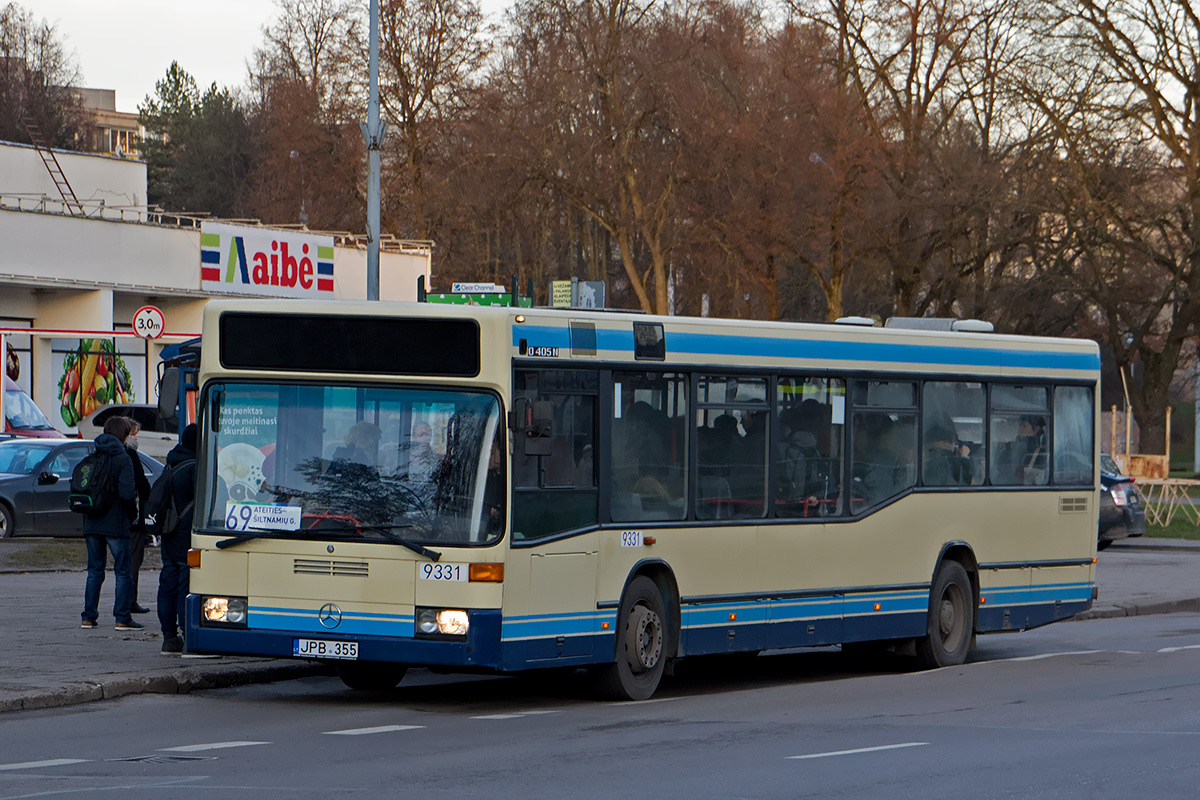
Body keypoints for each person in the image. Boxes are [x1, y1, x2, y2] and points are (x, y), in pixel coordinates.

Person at [80, 415, 141, 631]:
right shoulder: (123, 458)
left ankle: (88, 616)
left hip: (92, 521)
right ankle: (122, 617)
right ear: (123, 434)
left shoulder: (94, 454)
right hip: (115, 522)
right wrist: (132, 515)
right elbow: (126, 494)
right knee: (123, 571)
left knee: (94, 570)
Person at [158, 423, 197, 654]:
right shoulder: (194, 467)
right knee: (185, 588)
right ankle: (189, 638)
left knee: (167, 587)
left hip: (168, 534)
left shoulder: (170, 464)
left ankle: (169, 638)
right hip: (186, 537)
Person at [124, 419, 152, 614]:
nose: (136, 438)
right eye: (134, 434)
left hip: (115, 517)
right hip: (133, 517)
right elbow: (142, 485)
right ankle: (129, 602)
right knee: (133, 560)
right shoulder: (130, 455)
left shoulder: (112, 454)